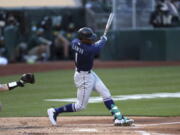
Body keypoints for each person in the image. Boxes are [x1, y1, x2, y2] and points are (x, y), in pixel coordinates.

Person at [47, 27, 134, 126]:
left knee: (105, 93)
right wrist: (103, 40)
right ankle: (55, 111)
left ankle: (118, 117)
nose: (91, 39)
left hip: (90, 73)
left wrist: (99, 41)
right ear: (83, 39)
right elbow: (97, 47)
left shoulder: (75, 42)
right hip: (83, 78)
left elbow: (92, 45)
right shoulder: (88, 50)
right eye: (89, 38)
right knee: (80, 106)